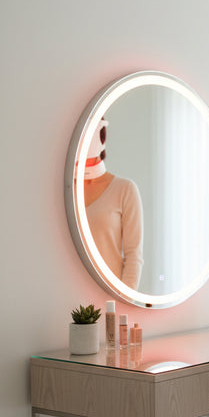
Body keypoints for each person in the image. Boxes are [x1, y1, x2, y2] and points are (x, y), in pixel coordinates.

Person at [82, 118, 144, 290]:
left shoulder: (124, 189)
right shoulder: (65, 192)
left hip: (111, 299)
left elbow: (134, 256)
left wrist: (124, 299)